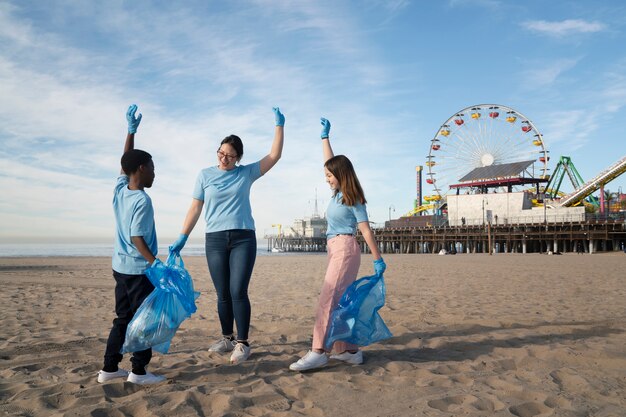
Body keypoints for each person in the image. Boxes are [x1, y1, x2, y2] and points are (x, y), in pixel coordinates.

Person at [169, 107, 285, 364]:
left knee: (237, 291)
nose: (224, 159)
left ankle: (243, 343)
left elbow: (274, 155)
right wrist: (182, 236)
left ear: (238, 158)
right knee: (222, 293)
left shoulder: (246, 173)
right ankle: (227, 338)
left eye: (230, 156)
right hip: (215, 239)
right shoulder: (205, 175)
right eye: (221, 153)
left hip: (243, 237)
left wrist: (279, 126)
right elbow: (195, 207)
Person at [289, 117, 386, 372]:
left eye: (329, 175)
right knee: (342, 301)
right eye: (326, 175)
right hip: (335, 250)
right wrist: (325, 138)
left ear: (340, 175)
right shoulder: (337, 193)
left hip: (345, 249)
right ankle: (349, 351)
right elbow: (329, 161)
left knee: (328, 299)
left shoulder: (352, 198)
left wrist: (377, 259)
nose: (326, 179)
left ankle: (319, 351)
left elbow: (365, 229)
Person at [97, 104, 166, 385]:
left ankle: (109, 368)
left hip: (119, 268)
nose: (154, 173)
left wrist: (130, 132)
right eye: (152, 167)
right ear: (142, 168)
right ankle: (138, 371)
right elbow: (138, 238)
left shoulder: (119, 190)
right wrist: (156, 263)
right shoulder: (142, 200)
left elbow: (124, 161)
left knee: (122, 318)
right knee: (144, 320)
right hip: (138, 271)